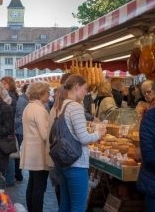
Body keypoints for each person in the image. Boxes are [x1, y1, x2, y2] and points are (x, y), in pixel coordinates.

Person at [48, 74, 106, 212]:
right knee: (78, 207)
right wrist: (99, 134)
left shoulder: (60, 105)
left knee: (65, 205)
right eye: (85, 89)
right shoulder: (75, 107)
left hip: (63, 162)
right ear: (76, 87)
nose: (86, 93)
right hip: (76, 163)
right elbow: (84, 138)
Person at [20, 82, 50, 212]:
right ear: (40, 93)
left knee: (32, 184)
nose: (49, 94)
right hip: (39, 153)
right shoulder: (39, 109)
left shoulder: (29, 107)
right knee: (39, 187)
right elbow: (45, 135)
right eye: (48, 92)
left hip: (31, 152)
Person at [137, 77, 155, 212]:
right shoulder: (152, 116)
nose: (146, 95)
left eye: (148, 92)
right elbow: (149, 153)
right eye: (144, 92)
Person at [1, 76, 19, 186]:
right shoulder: (9, 95)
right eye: (1, 83)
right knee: (7, 153)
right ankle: (9, 178)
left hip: (8, 128)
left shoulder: (10, 96)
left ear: (10, 84)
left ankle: (9, 179)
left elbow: (8, 112)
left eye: (5, 84)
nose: (3, 86)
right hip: (8, 127)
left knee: (9, 154)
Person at [14, 83, 30, 182]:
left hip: (21, 130)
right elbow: (19, 117)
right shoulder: (22, 100)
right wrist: (14, 128)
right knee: (17, 153)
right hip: (19, 130)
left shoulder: (25, 100)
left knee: (18, 152)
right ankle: (18, 174)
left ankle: (18, 173)